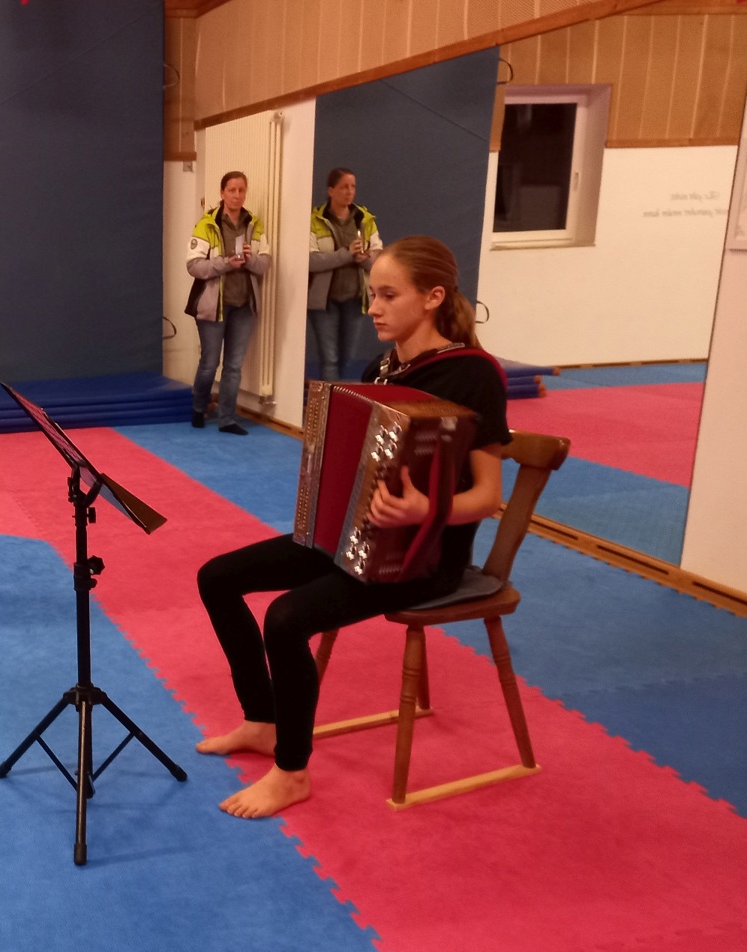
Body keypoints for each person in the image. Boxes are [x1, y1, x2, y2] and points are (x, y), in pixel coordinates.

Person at [196, 236, 508, 819]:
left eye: (389, 295)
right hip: (353, 539)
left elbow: (488, 497)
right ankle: (263, 721)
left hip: (422, 558)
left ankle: (292, 772)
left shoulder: (474, 375)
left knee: (286, 618)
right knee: (216, 577)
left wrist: (422, 510)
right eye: (373, 295)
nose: (374, 308)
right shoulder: (381, 369)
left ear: (433, 297)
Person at [186, 171, 271, 435]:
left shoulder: (254, 224)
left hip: (244, 305)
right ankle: (199, 407)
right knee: (210, 363)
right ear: (222, 193)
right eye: (232, 190)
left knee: (234, 366)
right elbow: (194, 266)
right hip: (213, 306)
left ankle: (227, 419)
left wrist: (250, 260)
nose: (237, 195)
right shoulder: (206, 224)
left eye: (241, 190)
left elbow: (265, 263)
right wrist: (225, 263)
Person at [306, 167, 382, 382]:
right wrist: (347, 254)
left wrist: (363, 258)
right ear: (331, 190)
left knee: (346, 357)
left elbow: (379, 257)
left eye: (353, 187)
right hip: (324, 302)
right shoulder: (315, 220)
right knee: (329, 359)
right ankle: (329, 402)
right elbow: (311, 260)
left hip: (355, 299)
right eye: (343, 187)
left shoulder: (364, 219)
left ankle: (336, 394)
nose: (349, 192)